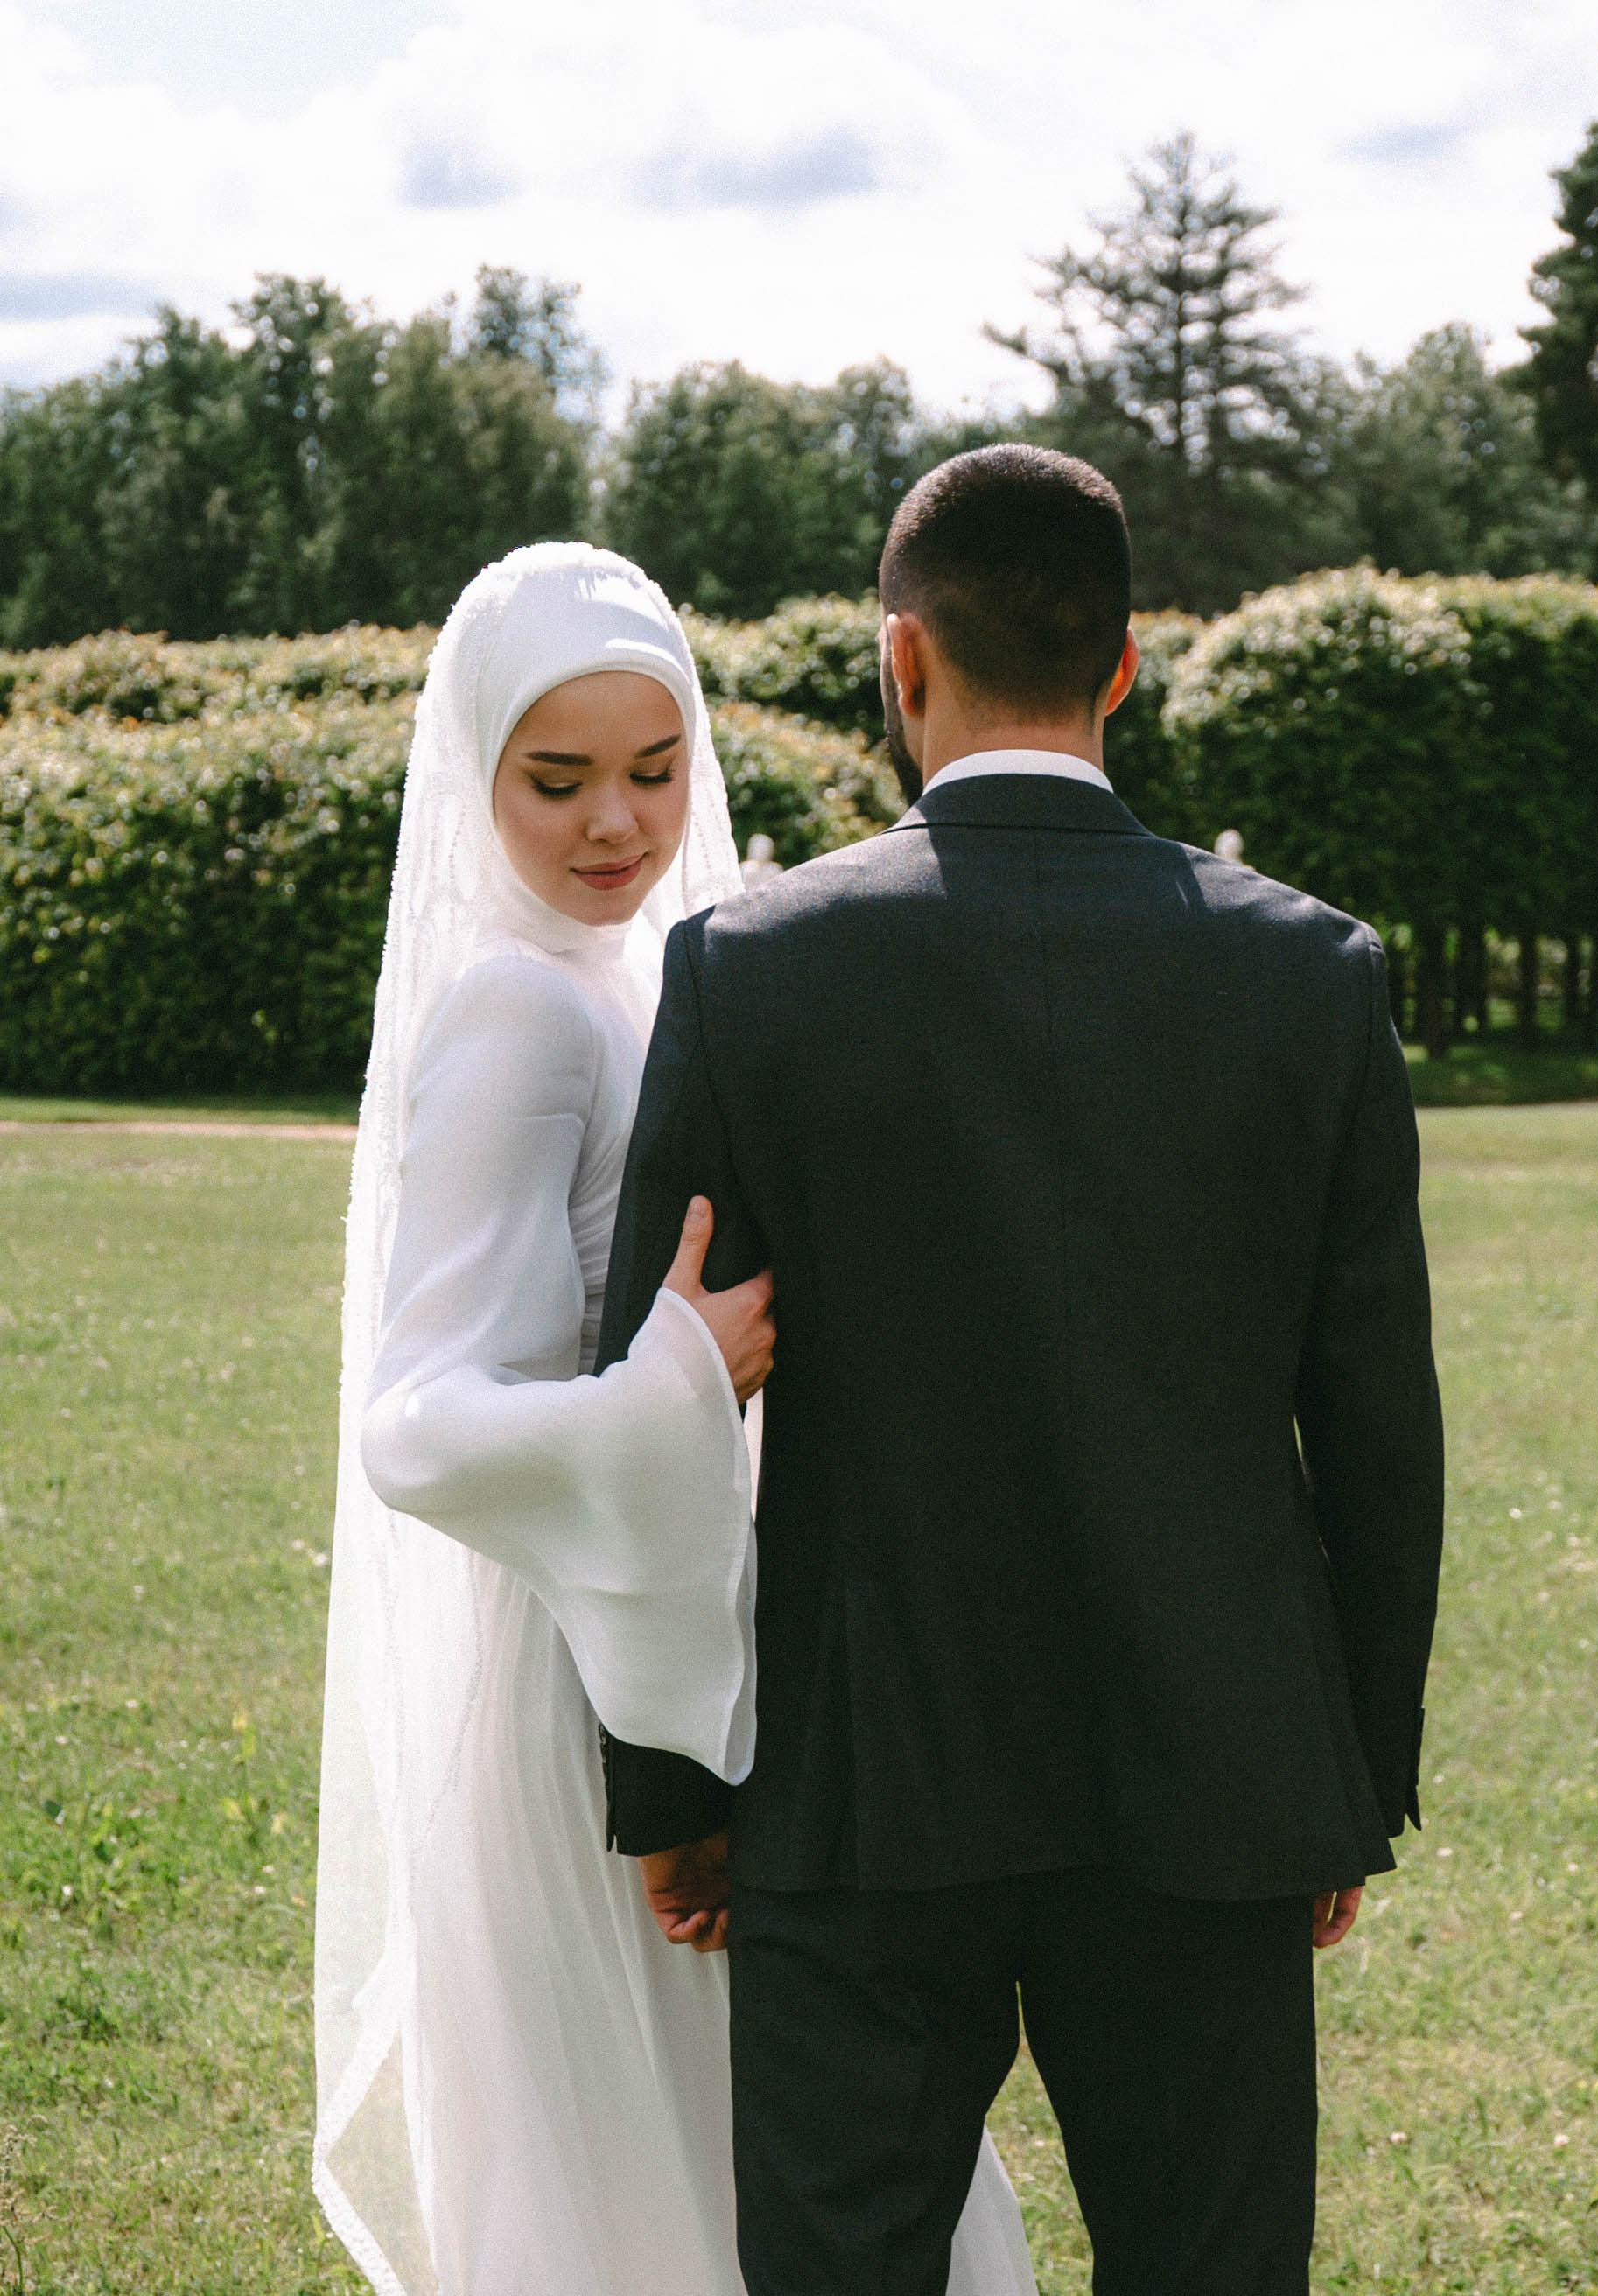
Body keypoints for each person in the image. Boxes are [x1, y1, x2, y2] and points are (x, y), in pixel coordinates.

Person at [599, 451, 1447, 2296]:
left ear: (900, 660)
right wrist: (1344, 1777)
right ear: (1124, 666)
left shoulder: (748, 968)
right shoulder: (1313, 975)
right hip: (1215, 1777)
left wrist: (670, 1786)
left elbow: (654, 1402)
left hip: (860, 1780)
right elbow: (1381, 1424)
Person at [312, 544, 1034, 2296]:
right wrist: (676, 1379)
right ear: (475, 773)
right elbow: (417, 1424)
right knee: (699, 2156)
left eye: (654, 769)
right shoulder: (516, 1008)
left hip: (698, 1624)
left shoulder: (644, 973)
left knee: (792, 2142)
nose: (616, 822)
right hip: (592, 1678)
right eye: (557, 780)